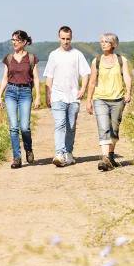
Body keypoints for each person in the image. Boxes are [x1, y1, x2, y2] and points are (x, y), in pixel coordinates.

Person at [44, 26, 90, 167]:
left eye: (68, 39)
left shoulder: (77, 54)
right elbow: (49, 76)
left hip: (73, 97)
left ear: (71, 38)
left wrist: (83, 89)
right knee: (59, 125)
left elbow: (86, 73)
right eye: (63, 39)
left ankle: (69, 153)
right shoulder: (53, 55)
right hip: (57, 96)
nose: (65, 41)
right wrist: (47, 94)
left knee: (71, 127)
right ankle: (59, 154)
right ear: (59, 38)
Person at [86, 33, 132, 171]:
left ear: (113, 44)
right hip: (100, 99)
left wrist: (128, 92)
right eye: (101, 41)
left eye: (106, 41)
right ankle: (105, 158)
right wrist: (88, 100)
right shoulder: (96, 61)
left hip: (118, 99)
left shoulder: (121, 60)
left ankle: (110, 156)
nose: (103, 44)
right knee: (103, 127)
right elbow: (92, 82)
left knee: (114, 128)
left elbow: (127, 77)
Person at [0, 30, 41, 169]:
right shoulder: (8, 58)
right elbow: (5, 78)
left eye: (16, 40)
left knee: (25, 127)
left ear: (24, 42)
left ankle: (28, 148)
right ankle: (17, 157)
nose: (14, 43)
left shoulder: (32, 58)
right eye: (13, 40)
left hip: (25, 92)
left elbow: (36, 78)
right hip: (10, 92)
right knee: (14, 127)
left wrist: (38, 96)